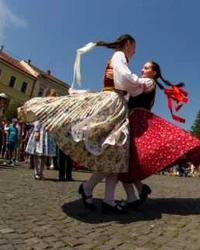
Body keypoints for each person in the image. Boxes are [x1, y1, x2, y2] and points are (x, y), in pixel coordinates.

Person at [20, 34, 154, 213]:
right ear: (128, 43)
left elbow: (130, 87)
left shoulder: (119, 58)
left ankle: (105, 199)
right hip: (112, 102)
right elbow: (125, 79)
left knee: (116, 155)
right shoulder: (119, 55)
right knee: (114, 152)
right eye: (134, 47)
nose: (135, 52)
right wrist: (142, 83)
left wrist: (142, 85)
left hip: (116, 102)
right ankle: (92, 190)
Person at [117, 61, 200, 210]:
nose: (142, 69)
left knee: (125, 160)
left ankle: (134, 194)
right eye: (143, 67)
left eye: (146, 68)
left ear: (154, 73)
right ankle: (138, 190)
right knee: (126, 161)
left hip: (138, 122)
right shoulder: (145, 82)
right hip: (134, 120)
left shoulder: (147, 82)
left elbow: (129, 83)